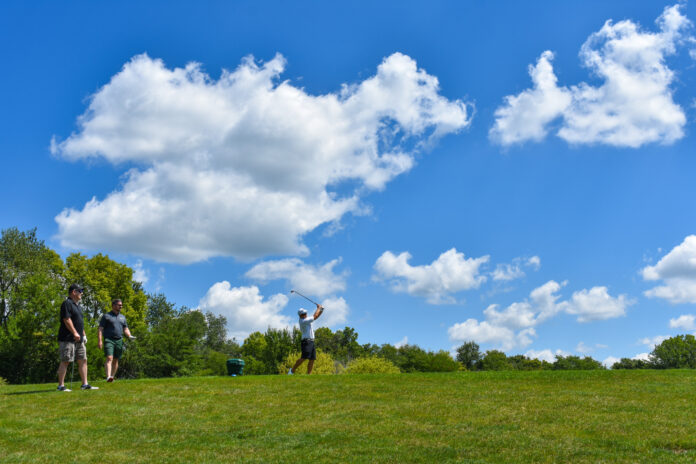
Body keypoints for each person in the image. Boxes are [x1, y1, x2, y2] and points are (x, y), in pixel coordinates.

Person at [57, 284, 98, 391]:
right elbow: (67, 319)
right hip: (67, 338)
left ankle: (85, 384)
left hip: (79, 339)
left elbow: (80, 323)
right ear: (74, 292)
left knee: (83, 360)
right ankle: (61, 386)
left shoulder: (78, 306)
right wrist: (75, 333)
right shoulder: (67, 303)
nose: (82, 293)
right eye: (80, 291)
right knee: (66, 360)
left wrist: (83, 334)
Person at [98, 299, 135, 382]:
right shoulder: (106, 316)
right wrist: (100, 340)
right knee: (109, 357)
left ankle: (112, 377)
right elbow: (100, 329)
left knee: (116, 359)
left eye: (121, 305)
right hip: (109, 339)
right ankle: (108, 377)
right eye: (119, 305)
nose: (121, 306)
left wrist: (129, 336)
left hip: (119, 340)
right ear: (113, 305)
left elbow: (125, 328)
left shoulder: (123, 317)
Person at [288, 303, 323, 375]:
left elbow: (316, 317)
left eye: (306, 313)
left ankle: (309, 374)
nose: (306, 314)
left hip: (311, 341)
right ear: (301, 315)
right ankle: (292, 370)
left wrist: (321, 310)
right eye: (304, 313)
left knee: (312, 359)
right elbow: (315, 316)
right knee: (304, 358)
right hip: (306, 342)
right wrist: (319, 308)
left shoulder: (306, 319)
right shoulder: (303, 321)